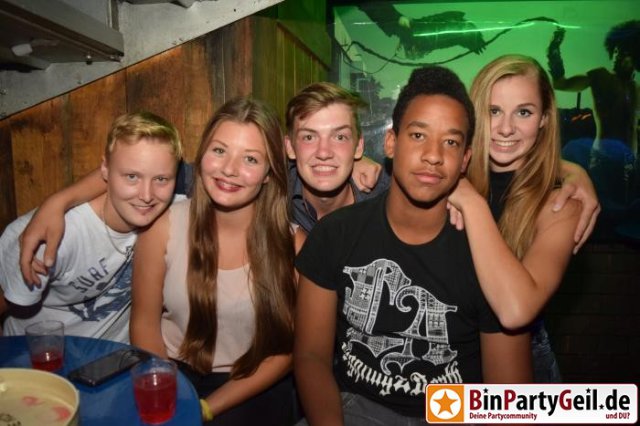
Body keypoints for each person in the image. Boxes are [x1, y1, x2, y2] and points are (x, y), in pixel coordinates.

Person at [294, 66, 532, 425]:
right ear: (391, 142)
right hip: (352, 408)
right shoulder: (335, 234)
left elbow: (508, 396)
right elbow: (311, 356)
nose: (433, 155)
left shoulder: (486, 259)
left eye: (450, 142)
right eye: (418, 135)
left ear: (465, 159)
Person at [130, 97, 305, 425]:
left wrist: (206, 408)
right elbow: (143, 323)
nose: (229, 169)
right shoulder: (162, 226)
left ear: (269, 173)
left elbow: (289, 351)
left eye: (250, 158)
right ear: (201, 155)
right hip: (170, 371)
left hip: (252, 385)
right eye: (219, 150)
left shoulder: (293, 245)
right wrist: (169, 392)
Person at [447, 54, 582, 382]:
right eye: (493, 111)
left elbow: (515, 311)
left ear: (544, 119)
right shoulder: (446, 177)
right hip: (446, 359)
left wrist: (469, 200)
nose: (506, 128)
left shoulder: (561, 204)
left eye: (524, 112)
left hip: (523, 369)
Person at [0, 112, 182, 342]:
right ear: (104, 169)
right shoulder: (54, 235)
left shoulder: (174, 207)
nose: (147, 195)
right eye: (131, 177)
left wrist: (60, 199)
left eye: (161, 179)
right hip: (35, 357)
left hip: (113, 357)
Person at [548, 21, 640, 210]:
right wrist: (554, 50)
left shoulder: (636, 89)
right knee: (598, 208)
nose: (618, 56)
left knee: (624, 209)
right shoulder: (600, 76)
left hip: (629, 160)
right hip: (603, 157)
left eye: (625, 53)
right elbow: (561, 84)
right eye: (616, 51)